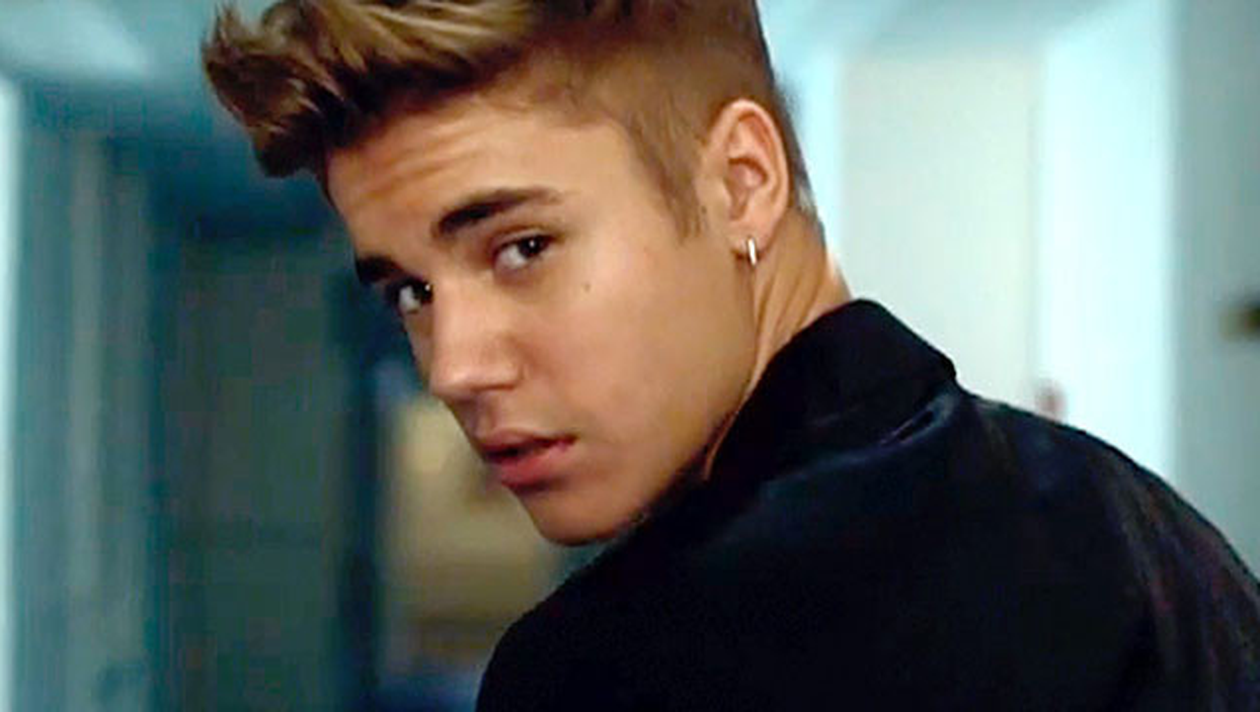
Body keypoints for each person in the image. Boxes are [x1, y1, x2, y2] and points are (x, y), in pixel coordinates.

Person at [202, 1, 1260, 708]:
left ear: (742, 182)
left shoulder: (622, 665)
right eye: (411, 291)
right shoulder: (1148, 530)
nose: (453, 368)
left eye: (522, 247)